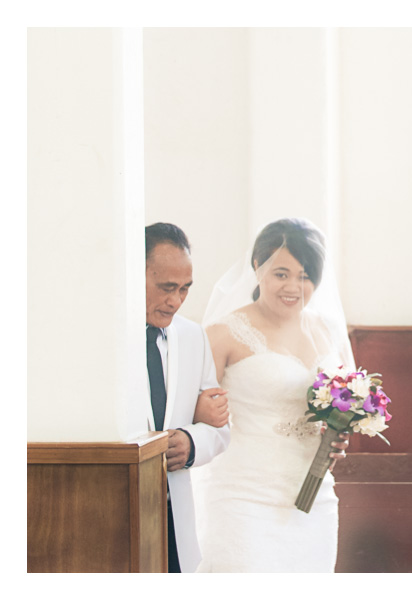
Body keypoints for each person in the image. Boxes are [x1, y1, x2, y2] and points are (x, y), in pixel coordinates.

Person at [191, 218, 352, 572]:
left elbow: (341, 403)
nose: (294, 286)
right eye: (281, 273)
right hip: (243, 496)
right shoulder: (222, 334)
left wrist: (339, 433)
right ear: (257, 267)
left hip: (313, 498)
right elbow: (192, 415)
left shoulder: (326, 330)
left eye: (305, 275)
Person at [144, 222, 231, 573]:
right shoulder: (100, 337)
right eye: (166, 288)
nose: (175, 301)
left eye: (184, 289)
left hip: (173, 519)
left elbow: (220, 430)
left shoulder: (193, 336)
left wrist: (190, 442)